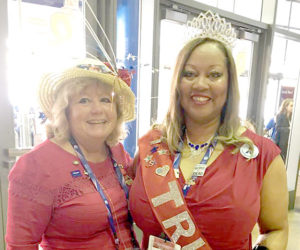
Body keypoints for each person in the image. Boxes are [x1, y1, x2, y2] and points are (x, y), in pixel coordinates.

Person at [129, 11, 288, 250]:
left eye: (214, 74)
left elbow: (276, 229)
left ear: (229, 83)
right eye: (189, 74)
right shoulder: (150, 146)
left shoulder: (262, 155)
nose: (200, 84)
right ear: (177, 83)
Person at [6, 58, 139, 249]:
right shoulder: (36, 165)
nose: (97, 109)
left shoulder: (117, 152)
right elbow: (21, 244)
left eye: (105, 100)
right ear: (65, 110)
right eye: (84, 100)